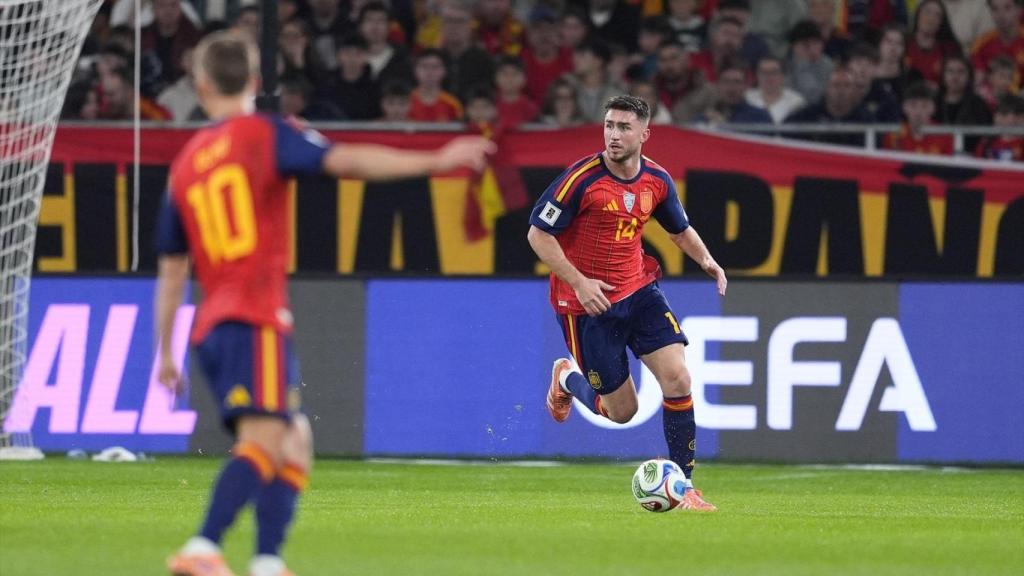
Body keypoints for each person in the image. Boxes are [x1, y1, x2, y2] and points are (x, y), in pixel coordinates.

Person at [156, 30, 492, 576]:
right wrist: (435, 161)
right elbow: (345, 161)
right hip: (254, 317)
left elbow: (172, 269)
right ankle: (203, 547)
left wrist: (164, 351)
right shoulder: (263, 134)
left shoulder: (186, 163)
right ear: (258, 82)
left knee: (296, 442)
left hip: (212, 323)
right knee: (266, 439)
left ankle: (267, 561)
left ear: (199, 85)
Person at [527, 95, 726, 512]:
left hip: (639, 290)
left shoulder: (656, 179)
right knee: (622, 412)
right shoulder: (579, 179)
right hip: (588, 304)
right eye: (609, 126)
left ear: (644, 134)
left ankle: (685, 484)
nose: (614, 135)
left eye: (623, 127)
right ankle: (566, 377)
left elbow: (679, 229)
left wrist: (708, 261)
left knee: (679, 380)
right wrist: (580, 283)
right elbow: (538, 235)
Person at [882, 81, 954, 155]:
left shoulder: (944, 136)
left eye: (924, 106)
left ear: (933, 108)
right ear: (904, 107)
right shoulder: (893, 136)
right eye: (913, 105)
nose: (918, 112)